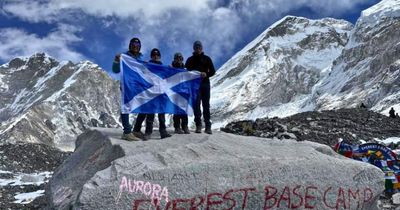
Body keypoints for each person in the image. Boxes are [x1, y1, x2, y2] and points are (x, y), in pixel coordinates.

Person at [133, 48, 172, 139]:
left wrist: (170, 70)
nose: (156, 57)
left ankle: (163, 132)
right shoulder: (147, 66)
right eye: (154, 55)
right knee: (150, 113)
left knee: (161, 113)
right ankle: (148, 132)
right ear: (151, 56)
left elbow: (167, 78)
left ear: (159, 56)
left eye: (157, 55)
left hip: (161, 92)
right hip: (151, 91)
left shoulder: (163, 68)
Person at [112, 37, 142, 141]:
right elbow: (115, 70)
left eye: (137, 46)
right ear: (130, 46)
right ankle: (127, 132)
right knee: (126, 106)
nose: (135, 47)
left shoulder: (141, 59)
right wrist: (116, 61)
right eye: (133, 45)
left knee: (145, 106)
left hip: (138, 86)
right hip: (127, 85)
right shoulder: (124, 57)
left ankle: (136, 130)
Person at [185, 41, 215, 134]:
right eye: (196, 47)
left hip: (205, 84)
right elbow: (185, 72)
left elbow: (213, 71)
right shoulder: (189, 60)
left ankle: (208, 126)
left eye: (199, 47)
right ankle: (198, 125)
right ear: (194, 48)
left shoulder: (207, 59)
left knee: (206, 105)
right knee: (196, 105)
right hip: (195, 86)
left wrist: (206, 74)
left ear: (202, 48)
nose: (198, 48)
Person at [171, 52, 190, 134]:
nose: (179, 60)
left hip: (184, 91)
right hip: (175, 91)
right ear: (174, 59)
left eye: (180, 58)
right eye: (177, 58)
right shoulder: (170, 69)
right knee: (176, 110)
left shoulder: (186, 69)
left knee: (184, 109)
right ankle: (177, 127)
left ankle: (185, 126)